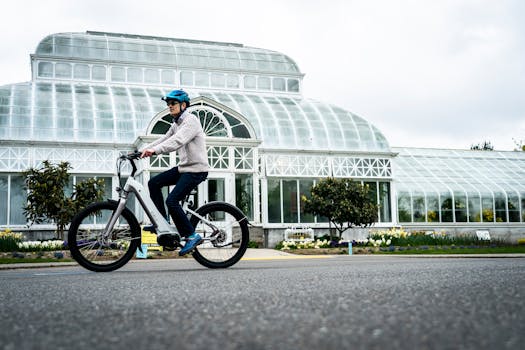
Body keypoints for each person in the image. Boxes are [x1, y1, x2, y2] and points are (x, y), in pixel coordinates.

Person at [140, 89, 209, 256]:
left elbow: (177, 141)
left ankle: (192, 236)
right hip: (184, 168)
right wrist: (144, 149)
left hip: (196, 170)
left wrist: (154, 151)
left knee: (172, 201)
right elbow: (164, 139)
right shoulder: (176, 123)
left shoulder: (191, 121)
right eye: (168, 104)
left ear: (183, 105)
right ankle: (161, 223)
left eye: (173, 103)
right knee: (153, 183)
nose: (169, 106)